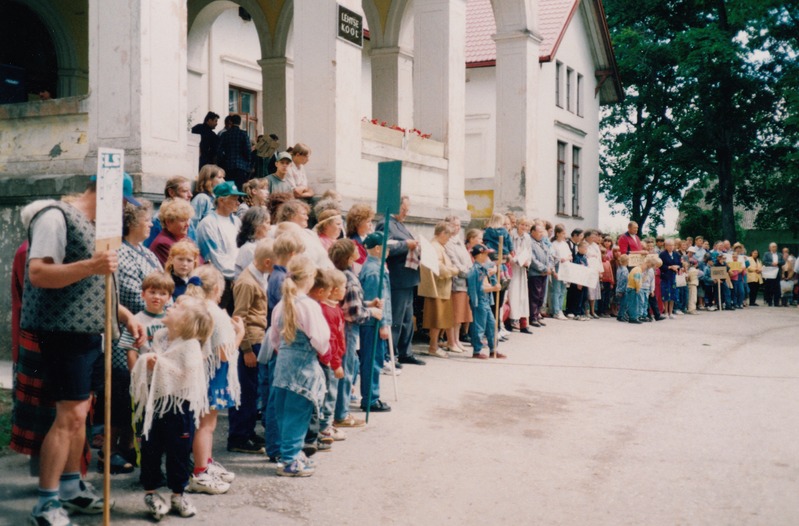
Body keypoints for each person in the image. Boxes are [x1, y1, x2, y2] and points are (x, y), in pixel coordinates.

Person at [22, 174, 145, 526]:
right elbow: (39, 274)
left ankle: (71, 488)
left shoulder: (97, 226)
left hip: (91, 331)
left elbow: (97, 283)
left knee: (81, 413)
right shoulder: (55, 216)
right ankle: (45, 503)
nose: (124, 209)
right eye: (123, 201)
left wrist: (123, 314)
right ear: (105, 194)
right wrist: (91, 265)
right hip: (63, 332)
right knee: (70, 416)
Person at [129, 296, 213, 521]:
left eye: (177, 307)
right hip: (155, 404)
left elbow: (188, 376)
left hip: (179, 406)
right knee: (150, 448)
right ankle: (151, 492)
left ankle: (179, 493)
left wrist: (160, 365)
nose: (170, 305)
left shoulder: (190, 345)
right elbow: (152, 362)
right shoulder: (160, 336)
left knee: (178, 451)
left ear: (186, 321)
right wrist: (147, 360)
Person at [268, 256, 330, 477]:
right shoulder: (309, 306)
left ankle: (286, 452)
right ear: (310, 278)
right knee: (298, 413)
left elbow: (274, 338)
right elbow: (321, 339)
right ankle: (290, 458)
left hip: (283, 365)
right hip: (303, 366)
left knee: (283, 412)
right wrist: (325, 353)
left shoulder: (281, 306)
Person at [184, 266, 243, 492]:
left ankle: (205, 463)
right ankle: (200, 471)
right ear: (217, 288)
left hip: (201, 373)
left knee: (205, 424)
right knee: (206, 425)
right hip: (212, 373)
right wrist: (240, 334)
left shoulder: (195, 306)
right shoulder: (215, 312)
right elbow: (224, 353)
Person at [111, 272, 174, 475]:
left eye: (162, 293)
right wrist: (135, 376)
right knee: (146, 426)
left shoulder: (172, 320)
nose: (157, 297)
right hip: (145, 383)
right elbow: (131, 352)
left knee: (166, 425)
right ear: (143, 294)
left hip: (166, 382)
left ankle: (166, 465)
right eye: (152, 292)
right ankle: (149, 468)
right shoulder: (136, 321)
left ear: (169, 297)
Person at [329, 239, 381, 428]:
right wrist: (372, 312)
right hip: (348, 330)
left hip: (344, 326)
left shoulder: (343, 274)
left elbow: (350, 304)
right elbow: (353, 313)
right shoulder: (348, 278)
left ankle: (339, 411)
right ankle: (341, 414)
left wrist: (368, 303)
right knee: (347, 368)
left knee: (350, 366)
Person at [230, 240, 273, 456]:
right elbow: (240, 317)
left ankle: (247, 431)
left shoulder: (259, 275)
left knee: (252, 388)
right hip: (250, 340)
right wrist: (246, 349)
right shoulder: (247, 282)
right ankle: (238, 435)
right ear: (267, 262)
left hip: (258, 338)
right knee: (246, 390)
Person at [376, 196, 425, 366]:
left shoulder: (399, 224)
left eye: (407, 209)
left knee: (406, 318)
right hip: (397, 277)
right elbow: (385, 247)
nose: (406, 213)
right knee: (396, 318)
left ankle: (406, 351)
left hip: (407, 277)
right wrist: (407, 245)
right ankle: (391, 353)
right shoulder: (385, 223)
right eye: (404, 209)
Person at [196, 181, 246, 313]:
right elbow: (215, 257)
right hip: (222, 283)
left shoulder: (236, 221)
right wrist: (236, 275)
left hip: (238, 280)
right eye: (234, 199)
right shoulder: (207, 223)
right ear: (222, 200)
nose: (238, 203)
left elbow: (241, 248)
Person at [359, 232, 393, 412]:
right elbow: (377, 301)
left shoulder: (376, 267)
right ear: (378, 248)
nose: (388, 250)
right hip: (373, 323)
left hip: (373, 322)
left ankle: (371, 396)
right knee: (373, 361)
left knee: (373, 360)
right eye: (386, 247)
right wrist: (383, 324)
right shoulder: (374, 271)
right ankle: (371, 398)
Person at [419, 222, 461, 358]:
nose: (449, 239)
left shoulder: (438, 246)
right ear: (443, 233)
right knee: (436, 319)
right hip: (438, 287)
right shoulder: (435, 247)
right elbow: (439, 267)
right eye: (448, 236)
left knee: (439, 319)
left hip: (440, 288)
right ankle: (433, 346)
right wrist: (455, 270)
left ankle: (435, 346)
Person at [118, 200, 163, 314]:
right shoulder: (121, 252)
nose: (151, 224)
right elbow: (133, 299)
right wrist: (165, 310)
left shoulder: (147, 252)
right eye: (147, 220)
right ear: (131, 223)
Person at [467, 244, 502, 359]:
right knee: (479, 326)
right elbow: (477, 288)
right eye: (485, 254)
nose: (488, 256)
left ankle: (493, 349)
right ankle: (477, 350)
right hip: (479, 301)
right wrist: (493, 288)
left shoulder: (483, 268)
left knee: (491, 324)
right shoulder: (474, 270)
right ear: (479, 255)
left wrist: (494, 283)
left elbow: (491, 270)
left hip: (486, 300)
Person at [443, 216, 475, 345]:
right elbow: (454, 261)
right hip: (456, 280)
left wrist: (471, 271)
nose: (457, 228)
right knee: (455, 314)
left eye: (459, 225)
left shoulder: (459, 240)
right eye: (454, 225)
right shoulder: (448, 242)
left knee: (461, 315)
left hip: (465, 280)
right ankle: (452, 341)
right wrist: (468, 273)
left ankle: (456, 340)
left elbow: (467, 259)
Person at [144, 176, 195, 248]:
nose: (190, 195)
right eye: (185, 191)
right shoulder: (158, 220)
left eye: (190, 191)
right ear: (171, 192)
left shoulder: (190, 221)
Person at [150, 198, 198, 266]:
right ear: (168, 222)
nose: (187, 224)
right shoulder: (163, 244)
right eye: (182, 220)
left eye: (188, 220)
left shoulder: (184, 240)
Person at [508, 217, 532, 333]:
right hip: (513, 267)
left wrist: (527, 261)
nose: (524, 228)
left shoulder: (527, 237)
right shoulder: (512, 235)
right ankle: (511, 320)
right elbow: (510, 251)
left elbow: (528, 251)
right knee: (513, 293)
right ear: (518, 224)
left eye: (527, 226)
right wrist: (516, 259)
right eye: (523, 225)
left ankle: (523, 322)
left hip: (522, 268)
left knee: (522, 295)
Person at [234, 207, 271, 280]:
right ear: (257, 225)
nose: (269, 228)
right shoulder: (249, 249)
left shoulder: (257, 245)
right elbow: (256, 278)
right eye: (267, 223)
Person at [215, 114, 252, 189]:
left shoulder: (225, 134)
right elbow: (248, 150)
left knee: (229, 188)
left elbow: (219, 151)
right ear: (240, 122)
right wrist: (248, 162)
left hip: (228, 166)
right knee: (239, 188)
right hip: (241, 167)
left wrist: (222, 161)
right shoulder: (243, 134)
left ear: (231, 122)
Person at [527, 222, 551, 328]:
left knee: (541, 297)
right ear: (532, 232)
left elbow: (549, 256)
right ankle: (532, 317)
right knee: (535, 296)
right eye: (539, 231)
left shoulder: (543, 243)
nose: (541, 234)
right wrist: (544, 268)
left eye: (542, 232)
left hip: (544, 273)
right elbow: (532, 260)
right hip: (535, 274)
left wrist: (549, 267)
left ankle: (537, 316)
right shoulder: (530, 242)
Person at [191, 165, 226, 230]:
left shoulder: (216, 197)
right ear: (209, 179)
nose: (223, 181)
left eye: (223, 177)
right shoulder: (202, 198)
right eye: (220, 177)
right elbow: (192, 223)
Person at [550, 224, 571, 320]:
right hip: (558, 267)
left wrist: (566, 258)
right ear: (557, 233)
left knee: (563, 290)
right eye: (562, 233)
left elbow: (570, 256)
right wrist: (558, 262)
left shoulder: (565, 244)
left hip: (566, 267)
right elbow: (552, 258)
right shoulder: (553, 244)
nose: (564, 235)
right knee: (557, 290)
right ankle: (556, 311)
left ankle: (561, 309)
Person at [346, 203, 375, 272]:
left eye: (371, 221)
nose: (371, 224)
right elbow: (363, 263)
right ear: (358, 223)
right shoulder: (353, 243)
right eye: (368, 221)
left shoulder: (367, 237)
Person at [659, 239, 681, 318]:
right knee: (666, 293)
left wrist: (677, 267)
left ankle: (671, 312)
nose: (671, 247)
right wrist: (670, 267)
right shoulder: (662, 254)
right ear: (666, 246)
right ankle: (666, 312)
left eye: (673, 245)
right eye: (669, 245)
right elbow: (660, 266)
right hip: (665, 276)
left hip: (673, 276)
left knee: (673, 294)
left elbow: (680, 264)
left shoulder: (677, 254)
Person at [615, 254, 630, 322]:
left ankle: (620, 315)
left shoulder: (619, 268)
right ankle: (621, 315)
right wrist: (622, 289)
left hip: (619, 288)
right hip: (623, 289)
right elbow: (624, 280)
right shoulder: (625, 270)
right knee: (624, 303)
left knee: (621, 303)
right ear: (626, 261)